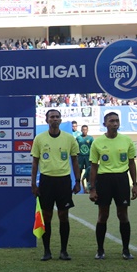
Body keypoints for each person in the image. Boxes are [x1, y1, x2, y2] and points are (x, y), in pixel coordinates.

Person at [30, 109, 81, 261]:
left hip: (64, 181)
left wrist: (78, 181)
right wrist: (33, 183)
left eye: (57, 117)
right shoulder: (39, 139)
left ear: (60, 120)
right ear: (47, 120)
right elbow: (35, 162)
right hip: (46, 181)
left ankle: (64, 251)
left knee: (63, 216)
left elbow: (75, 161)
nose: (55, 119)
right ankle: (47, 251)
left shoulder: (69, 138)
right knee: (47, 216)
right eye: (52, 117)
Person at [88, 112, 137, 260]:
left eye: (117, 121)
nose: (115, 123)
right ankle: (100, 250)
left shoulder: (127, 140)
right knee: (103, 215)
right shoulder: (97, 142)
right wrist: (92, 188)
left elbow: (131, 163)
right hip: (104, 180)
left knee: (123, 215)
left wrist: (135, 184)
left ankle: (126, 250)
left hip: (122, 179)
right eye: (111, 121)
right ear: (105, 124)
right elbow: (94, 167)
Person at [76, 124, 94, 192]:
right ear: (81, 130)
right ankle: (78, 186)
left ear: (87, 130)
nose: (84, 131)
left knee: (88, 172)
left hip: (88, 157)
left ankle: (88, 187)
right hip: (80, 157)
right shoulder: (78, 138)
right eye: (83, 130)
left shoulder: (91, 138)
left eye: (86, 130)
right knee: (79, 171)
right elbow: (75, 147)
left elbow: (93, 148)